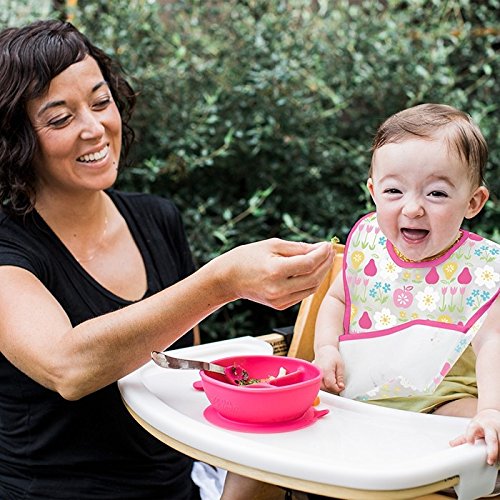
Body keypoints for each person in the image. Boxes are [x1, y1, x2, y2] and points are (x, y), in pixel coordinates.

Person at [0, 19, 335, 499]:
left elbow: (180, 373)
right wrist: (220, 282)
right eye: (60, 119)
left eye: (100, 102)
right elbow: (66, 367)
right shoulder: (9, 247)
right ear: (16, 140)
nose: (95, 129)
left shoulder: (157, 219)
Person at [314, 103, 500, 470]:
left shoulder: (478, 271)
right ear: (373, 191)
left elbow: (493, 342)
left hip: (441, 401)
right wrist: (325, 348)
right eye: (394, 191)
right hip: (354, 396)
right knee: (271, 430)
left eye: (436, 194)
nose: (413, 208)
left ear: (473, 202)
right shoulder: (369, 246)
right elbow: (337, 298)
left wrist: (491, 410)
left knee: (481, 437)